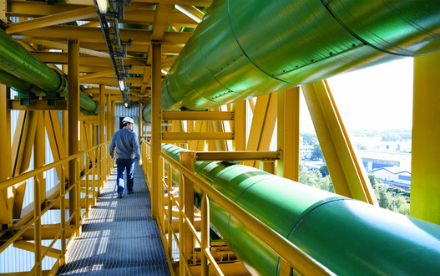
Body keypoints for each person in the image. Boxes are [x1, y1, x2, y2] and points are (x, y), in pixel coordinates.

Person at [109, 117, 142, 198]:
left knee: (120, 175)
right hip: (130, 158)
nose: (133, 126)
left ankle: (120, 192)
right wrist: (139, 158)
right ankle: (130, 190)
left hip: (120, 158)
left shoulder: (116, 134)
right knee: (130, 174)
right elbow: (136, 148)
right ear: (127, 124)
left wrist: (112, 155)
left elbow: (111, 146)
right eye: (132, 124)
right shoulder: (132, 134)